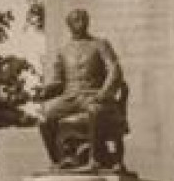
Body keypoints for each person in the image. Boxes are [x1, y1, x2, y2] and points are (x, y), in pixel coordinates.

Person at [38, 9, 125, 171]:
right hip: (70, 97)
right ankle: (59, 160)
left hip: (92, 94)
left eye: (84, 19)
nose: (81, 22)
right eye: (76, 20)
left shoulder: (100, 44)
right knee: (44, 119)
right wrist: (45, 91)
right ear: (69, 25)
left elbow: (114, 70)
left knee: (94, 111)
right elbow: (58, 81)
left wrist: (104, 93)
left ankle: (95, 160)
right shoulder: (63, 50)